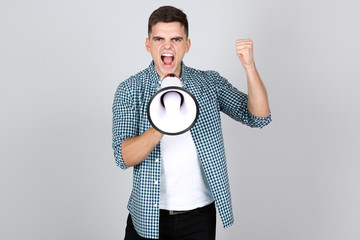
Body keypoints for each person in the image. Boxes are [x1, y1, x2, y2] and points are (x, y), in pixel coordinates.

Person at [112, 5, 271, 240]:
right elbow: (123, 157)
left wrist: (249, 67)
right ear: (148, 45)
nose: (167, 46)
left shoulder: (209, 83)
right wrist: (162, 125)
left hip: (199, 217)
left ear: (187, 45)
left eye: (176, 38)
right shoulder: (130, 89)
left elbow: (258, 117)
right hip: (147, 215)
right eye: (159, 39)